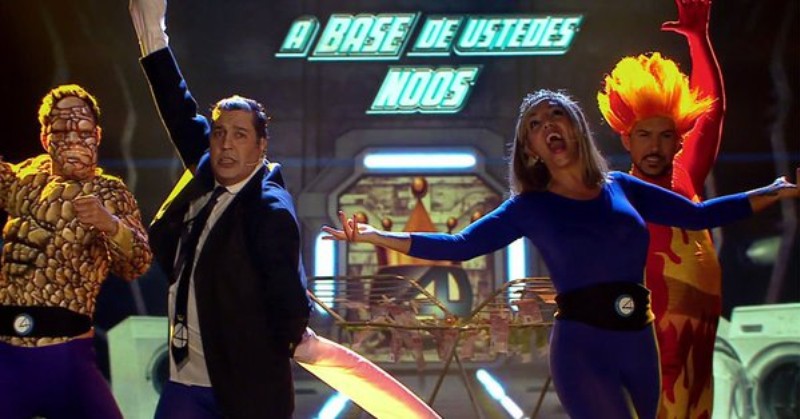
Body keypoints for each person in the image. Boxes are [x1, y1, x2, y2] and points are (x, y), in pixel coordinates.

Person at [323, 89, 798, 419]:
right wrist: (374, 236)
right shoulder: (530, 207)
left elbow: (698, 215)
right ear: (531, 149)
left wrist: (772, 191)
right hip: (581, 348)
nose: (547, 125)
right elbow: (460, 245)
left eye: (556, 116)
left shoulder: (622, 187)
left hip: (639, 338)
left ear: (575, 128)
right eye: (535, 125)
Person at [130, 0, 313, 417]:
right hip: (184, 382)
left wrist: (274, 347)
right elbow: (177, 106)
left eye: (240, 135)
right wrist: (151, 32)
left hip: (241, 391)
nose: (226, 144)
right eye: (219, 133)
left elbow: (290, 306)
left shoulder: (269, 210)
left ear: (261, 146)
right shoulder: (211, 167)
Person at [597, 1, 729, 416]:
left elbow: (713, 111)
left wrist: (699, 40)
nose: (654, 146)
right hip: (649, 347)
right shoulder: (614, 197)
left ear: (679, 140)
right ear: (626, 139)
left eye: (665, 135)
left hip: (699, 349)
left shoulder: (686, 178)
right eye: (644, 135)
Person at [0, 84, 153, 418]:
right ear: (45, 138)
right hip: (6, 355)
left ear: (96, 136)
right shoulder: (24, 179)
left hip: (68, 358)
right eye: (61, 131)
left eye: (82, 132)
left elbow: (137, 264)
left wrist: (110, 224)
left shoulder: (109, 192)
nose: (72, 141)